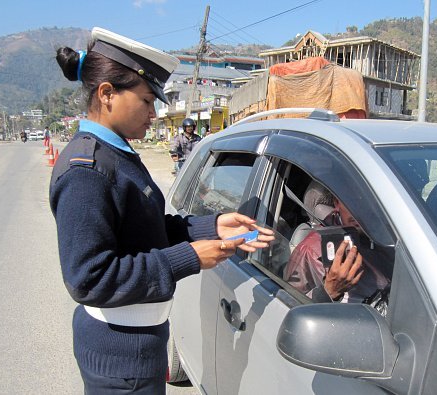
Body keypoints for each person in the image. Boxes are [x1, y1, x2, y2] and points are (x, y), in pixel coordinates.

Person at [51, 27, 273, 394]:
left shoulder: (117, 154)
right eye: (146, 101)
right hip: (120, 356)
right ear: (107, 94)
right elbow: (89, 278)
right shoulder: (86, 171)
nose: (154, 113)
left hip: (138, 346)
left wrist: (212, 227)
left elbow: (145, 229)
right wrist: (188, 257)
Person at [284, 182, 389, 303]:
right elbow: (288, 305)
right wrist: (330, 291)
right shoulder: (312, 250)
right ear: (336, 203)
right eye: (352, 202)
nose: (359, 212)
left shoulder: (390, 236)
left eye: (367, 203)